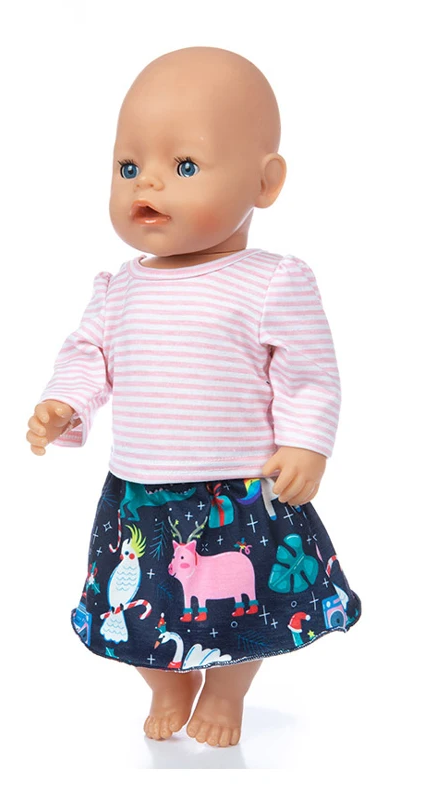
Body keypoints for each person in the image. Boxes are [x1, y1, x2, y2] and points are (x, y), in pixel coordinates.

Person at [26, 46, 360, 748]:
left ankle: (227, 690)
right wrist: (67, 404)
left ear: (265, 182)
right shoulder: (119, 286)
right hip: (139, 489)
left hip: (239, 487)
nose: (147, 181)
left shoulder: (272, 280)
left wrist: (306, 443)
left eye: (184, 166)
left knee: (246, 607)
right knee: (137, 603)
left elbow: (308, 372)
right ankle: (167, 681)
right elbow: (89, 356)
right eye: (128, 167)